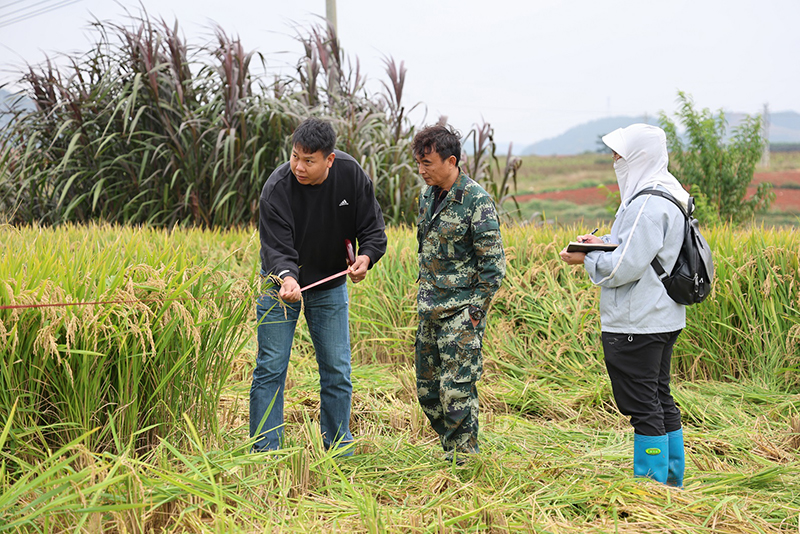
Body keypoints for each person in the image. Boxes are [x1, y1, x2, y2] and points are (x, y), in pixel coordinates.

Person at [559, 123, 688, 487]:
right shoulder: (671, 192)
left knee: (643, 407)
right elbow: (642, 249)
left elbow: (622, 266)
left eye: (621, 154)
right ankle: (671, 482)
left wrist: (584, 258)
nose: (616, 161)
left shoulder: (646, 203)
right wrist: (603, 241)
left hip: (637, 322)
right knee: (659, 398)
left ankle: (650, 489)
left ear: (639, 156)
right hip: (663, 317)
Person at [251, 117, 387, 453]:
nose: (299, 166)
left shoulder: (351, 175)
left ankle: (339, 445)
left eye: (309, 160)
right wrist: (287, 278)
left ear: (330, 159)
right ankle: (265, 450)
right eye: (295, 156)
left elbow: (372, 229)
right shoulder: (277, 187)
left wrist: (365, 259)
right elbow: (277, 246)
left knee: (337, 369)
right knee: (270, 367)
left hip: (329, 286)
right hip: (280, 287)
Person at [412, 124, 506, 463]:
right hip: (429, 311)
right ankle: (453, 449)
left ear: (451, 161)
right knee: (428, 392)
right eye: (419, 163)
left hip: (461, 313)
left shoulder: (476, 201)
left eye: (428, 163)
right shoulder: (426, 198)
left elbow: (493, 269)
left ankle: (465, 463)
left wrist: (474, 314)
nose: (422, 170)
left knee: (456, 392)